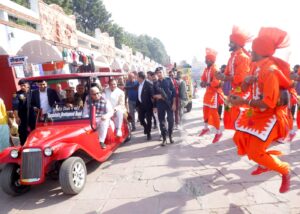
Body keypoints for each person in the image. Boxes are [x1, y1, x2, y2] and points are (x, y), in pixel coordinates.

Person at [229, 27, 292, 193]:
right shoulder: (256, 67)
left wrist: (243, 101)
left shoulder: (270, 71)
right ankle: (265, 163)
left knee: (255, 151)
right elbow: (247, 88)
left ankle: (284, 170)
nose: (250, 51)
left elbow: (268, 104)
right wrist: (246, 84)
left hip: (270, 117)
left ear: (260, 51)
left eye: (253, 49)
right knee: (240, 138)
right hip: (257, 114)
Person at [216, 25, 252, 130]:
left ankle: (246, 132)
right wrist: (221, 76)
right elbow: (227, 73)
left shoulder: (243, 58)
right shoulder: (232, 57)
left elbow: (241, 78)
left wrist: (225, 78)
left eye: (231, 42)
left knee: (241, 113)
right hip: (235, 89)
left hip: (244, 90)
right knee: (229, 109)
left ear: (236, 43)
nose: (229, 44)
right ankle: (241, 132)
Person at [199, 48, 223, 143]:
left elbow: (216, 82)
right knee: (205, 110)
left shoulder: (215, 69)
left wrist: (207, 84)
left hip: (214, 93)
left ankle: (218, 132)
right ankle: (205, 128)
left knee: (214, 113)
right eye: (205, 59)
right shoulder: (207, 69)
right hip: (208, 93)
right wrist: (202, 83)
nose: (205, 61)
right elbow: (203, 78)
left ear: (211, 60)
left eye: (207, 59)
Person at [153, 67, 176, 146]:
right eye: (158, 73)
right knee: (161, 121)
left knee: (171, 120)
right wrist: (158, 96)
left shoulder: (169, 80)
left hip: (169, 103)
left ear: (163, 72)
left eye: (160, 72)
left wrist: (174, 104)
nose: (159, 74)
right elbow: (153, 95)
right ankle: (164, 138)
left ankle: (170, 136)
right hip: (160, 104)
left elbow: (174, 93)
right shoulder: (155, 83)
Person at [13, 79, 36, 145]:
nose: (22, 87)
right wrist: (16, 117)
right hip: (22, 116)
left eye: (23, 85)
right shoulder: (17, 94)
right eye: (21, 86)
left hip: (33, 116)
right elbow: (15, 107)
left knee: (35, 131)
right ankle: (23, 146)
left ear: (27, 85)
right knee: (22, 133)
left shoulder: (33, 92)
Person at [136, 71, 154, 140]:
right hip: (141, 105)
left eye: (137, 77)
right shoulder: (138, 84)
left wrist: (154, 106)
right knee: (141, 119)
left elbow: (152, 95)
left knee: (149, 120)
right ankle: (146, 128)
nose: (136, 78)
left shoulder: (148, 84)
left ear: (140, 77)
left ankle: (148, 133)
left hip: (148, 105)